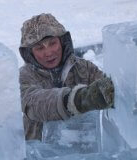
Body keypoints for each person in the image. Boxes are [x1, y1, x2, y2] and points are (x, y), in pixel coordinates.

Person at [19, 13, 115, 141]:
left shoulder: (85, 68)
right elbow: (34, 104)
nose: (48, 52)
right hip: (39, 152)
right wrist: (77, 99)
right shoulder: (23, 77)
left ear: (62, 42)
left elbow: (111, 91)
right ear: (30, 53)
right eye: (40, 48)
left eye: (52, 43)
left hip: (85, 148)